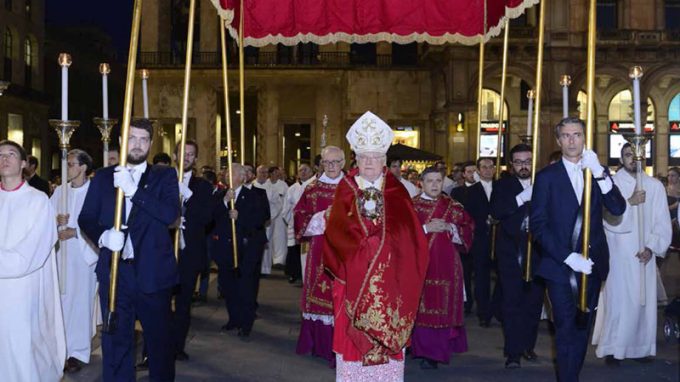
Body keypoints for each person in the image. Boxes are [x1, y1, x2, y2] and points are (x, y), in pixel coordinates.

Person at [324, 111, 429, 380]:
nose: (370, 162)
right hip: (352, 280)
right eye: (364, 157)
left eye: (375, 157)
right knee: (352, 348)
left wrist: (382, 247)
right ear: (356, 159)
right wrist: (364, 249)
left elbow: (410, 236)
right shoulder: (345, 188)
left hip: (391, 281)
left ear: (384, 160)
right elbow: (336, 233)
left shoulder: (397, 190)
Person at [79, 119, 179, 381]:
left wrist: (135, 191)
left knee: (159, 344)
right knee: (115, 342)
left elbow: (170, 214)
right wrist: (103, 236)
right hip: (116, 273)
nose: (137, 144)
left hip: (153, 274)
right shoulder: (103, 177)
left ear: (150, 143)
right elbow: (86, 217)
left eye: (143, 139)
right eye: (132, 138)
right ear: (122, 142)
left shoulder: (164, 176)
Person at [531, 117, 626, 382]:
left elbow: (618, 209)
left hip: (593, 263)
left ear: (585, 138)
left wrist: (599, 174)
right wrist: (567, 256)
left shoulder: (597, 170)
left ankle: (573, 375)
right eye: (567, 135)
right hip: (559, 266)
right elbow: (538, 226)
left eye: (578, 134)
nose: (573, 140)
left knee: (583, 327)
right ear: (558, 140)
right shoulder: (546, 177)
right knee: (565, 327)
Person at [592, 143, 672, 362]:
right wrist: (629, 203)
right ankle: (614, 349)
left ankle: (640, 348)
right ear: (621, 158)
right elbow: (606, 217)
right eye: (629, 155)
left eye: (638, 155)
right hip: (617, 253)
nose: (634, 159)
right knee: (618, 302)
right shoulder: (612, 184)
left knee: (641, 303)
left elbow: (662, 222)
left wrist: (652, 247)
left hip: (642, 256)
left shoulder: (654, 186)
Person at [0, 140, 65, 381]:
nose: (4, 159)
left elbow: (29, 256)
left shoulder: (38, 201)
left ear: (24, 163)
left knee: (21, 346)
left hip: (22, 290)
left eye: (11, 154)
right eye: (0, 155)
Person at [411, 166, 474, 369]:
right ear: (421, 183)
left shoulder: (452, 206)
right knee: (419, 309)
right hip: (419, 267)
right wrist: (425, 228)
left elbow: (468, 228)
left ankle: (435, 353)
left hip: (447, 267)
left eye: (438, 181)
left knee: (442, 308)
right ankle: (420, 348)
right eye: (430, 181)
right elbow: (400, 235)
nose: (435, 185)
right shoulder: (411, 207)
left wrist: (450, 227)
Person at [490, 144, 544, 369]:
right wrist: (522, 198)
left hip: (539, 253)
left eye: (527, 161)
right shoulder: (503, 185)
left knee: (533, 303)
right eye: (519, 162)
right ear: (511, 165)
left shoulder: (543, 182)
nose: (524, 166)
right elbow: (497, 211)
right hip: (511, 253)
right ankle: (512, 352)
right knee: (512, 303)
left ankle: (527, 346)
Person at [294, 145, 345, 367]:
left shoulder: (353, 188)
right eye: (327, 162)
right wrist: (323, 217)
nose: (332, 166)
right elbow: (299, 216)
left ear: (344, 163)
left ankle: (344, 344)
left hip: (346, 250)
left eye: (336, 162)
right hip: (320, 249)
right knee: (319, 292)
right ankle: (319, 343)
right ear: (321, 163)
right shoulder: (313, 189)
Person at [50, 149, 98, 374]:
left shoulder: (94, 191)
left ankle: (77, 352)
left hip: (82, 257)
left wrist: (76, 232)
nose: (67, 167)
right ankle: (60, 347)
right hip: (61, 255)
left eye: (70, 164)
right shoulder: (61, 190)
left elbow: (100, 221)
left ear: (83, 167)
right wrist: (54, 219)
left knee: (79, 303)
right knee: (60, 302)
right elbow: (46, 216)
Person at [213, 163, 268, 338]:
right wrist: (223, 202)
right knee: (228, 286)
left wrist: (240, 217)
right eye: (226, 172)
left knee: (246, 287)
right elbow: (211, 217)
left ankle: (246, 323)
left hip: (248, 248)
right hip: (226, 248)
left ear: (243, 177)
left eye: (232, 173)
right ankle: (233, 318)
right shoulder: (220, 195)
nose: (228, 176)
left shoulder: (256, 195)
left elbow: (262, 218)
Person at [172, 140, 214, 361]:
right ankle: (154, 349)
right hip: (164, 252)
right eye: (182, 153)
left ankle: (177, 346)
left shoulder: (203, 187)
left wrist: (187, 196)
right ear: (175, 155)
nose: (186, 157)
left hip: (189, 253)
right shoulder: (163, 180)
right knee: (159, 304)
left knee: (183, 303)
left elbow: (208, 218)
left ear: (195, 158)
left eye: (191, 154)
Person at [452, 157, 498, 327]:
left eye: (490, 167)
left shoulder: (501, 187)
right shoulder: (470, 192)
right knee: (482, 277)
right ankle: (484, 312)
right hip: (479, 240)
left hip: (500, 239)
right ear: (479, 170)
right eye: (484, 167)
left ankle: (498, 308)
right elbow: (467, 217)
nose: (487, 170)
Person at [282, 163, 316, 284]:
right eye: (300, 170)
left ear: (311, 172)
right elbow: (286, 208)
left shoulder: (315, 186)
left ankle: (308, 277)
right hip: (295, 223)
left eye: (306, 170)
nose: (303, 172)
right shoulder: (292, 189)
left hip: (311, 225)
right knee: (295, 251)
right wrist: (292, 220)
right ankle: (295, 274)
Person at [253, 165, 287, 274]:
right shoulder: (251, 186)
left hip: (267, 221)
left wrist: (268, 217)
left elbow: (277, 204)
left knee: (266, 244)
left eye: (265, 172)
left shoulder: (271, 188)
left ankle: (265, 269)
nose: (263, 174)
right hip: (252, 222)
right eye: (261, 172)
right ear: (256, 173)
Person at [666, 167, 680, 253]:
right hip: (668, 220)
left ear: (678, 177)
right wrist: (674, 206)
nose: (670, 178)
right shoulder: (663, 189)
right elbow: (660, 208)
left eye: (673, 175)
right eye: (668, 175)